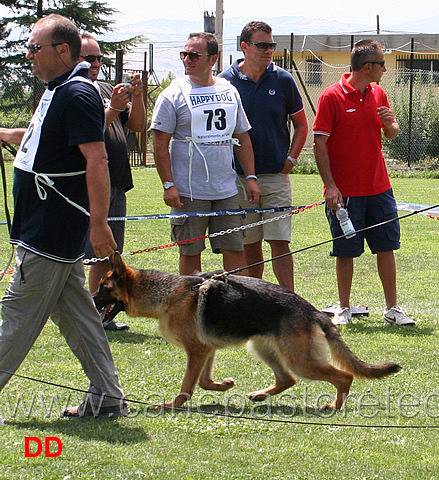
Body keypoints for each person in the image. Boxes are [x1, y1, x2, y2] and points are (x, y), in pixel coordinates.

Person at [0, 14, 128, 418]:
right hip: (44, 227)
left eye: (35, 48)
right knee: (77, 315)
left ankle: (107, 397)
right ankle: (108, 396)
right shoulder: (58, 90)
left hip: (51, 231)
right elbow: (43, 143)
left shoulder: (76, 94)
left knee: (17, 311)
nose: (29, 56)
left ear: (62, 50)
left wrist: (99, 223)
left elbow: (97, 160)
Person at [313, 39, 415, 327]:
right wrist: (331, 187)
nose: (386, 68)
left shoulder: (379, 93)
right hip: (345, 193)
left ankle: (392, 309)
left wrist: (390, 124)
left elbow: (392, 133)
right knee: (346, 251)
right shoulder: (331, 96)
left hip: (379, 188)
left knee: (386, 247)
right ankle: (343, 308)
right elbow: (320, 145)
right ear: (368, 66)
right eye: (382, 63)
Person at [151, 32, 260, 275]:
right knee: (190, 251)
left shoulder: (229, 91)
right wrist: (168, 184)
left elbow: (242, 135)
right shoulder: (173, 94)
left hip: (227, 190)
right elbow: (160, 144)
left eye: (193, 55)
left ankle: (235, 309)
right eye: (184, 54)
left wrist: (250, 177)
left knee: (234, 249)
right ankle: (191, 309)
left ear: (213, 59)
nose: (187, 59)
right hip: (189, 192)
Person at [219, 21, 308, 292]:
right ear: (244, 47)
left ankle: (292, 302)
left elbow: (302, 125)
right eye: (262, 45)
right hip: (238, 179)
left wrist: (290, 160)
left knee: (280, 242)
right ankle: (253, 301)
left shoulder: (283, 79)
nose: (269, 50)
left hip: (276, 176)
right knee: (249, 244)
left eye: (271, 45)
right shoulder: (225, 82)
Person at [81, 33, 146, 331]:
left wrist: (137, 97)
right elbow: (88, 132)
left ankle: (100, 317)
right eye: (88, 58)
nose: (95, 63)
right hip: (90, 184)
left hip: (116, 182)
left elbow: (137, 126)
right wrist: (114, 109)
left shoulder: (107, 89)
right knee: (95, 253)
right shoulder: (74, 92)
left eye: (98, 58)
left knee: (110, 253)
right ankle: (90, 316)